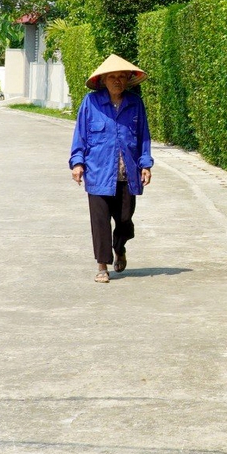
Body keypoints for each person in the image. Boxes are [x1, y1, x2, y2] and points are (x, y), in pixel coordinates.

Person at [68, 54, 153, 283]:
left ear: (127, 79)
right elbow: (81, 136)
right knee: (100, 221)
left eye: (121, 77)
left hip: (128, 174)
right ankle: (102, 266)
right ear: (103, 80)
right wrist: (77, 163)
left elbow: (144, 136)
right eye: (112, 77)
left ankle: (120, 247)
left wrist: (145, 164)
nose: (117, 81)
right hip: (98, 173)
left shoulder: (135, 103)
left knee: (125, 219)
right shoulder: (91, 102)